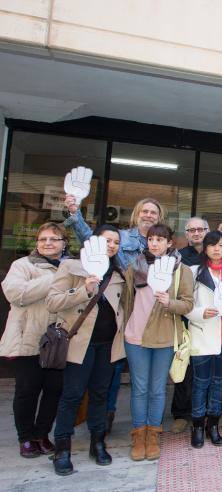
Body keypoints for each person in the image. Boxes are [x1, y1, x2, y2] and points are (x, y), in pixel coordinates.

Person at [64, 196, 165, 432]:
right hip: (121, 313)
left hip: (149, 316)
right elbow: (91, 242)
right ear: (136, 214)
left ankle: (144, 424)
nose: (149, 215)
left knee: (144, 378)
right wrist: (75, 214)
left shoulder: (163, 246)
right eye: (145, 211)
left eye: (153, 212)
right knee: (113, 370)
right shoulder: (122, 239)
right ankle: (105, 418)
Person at [46, 224, 127, 475]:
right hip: (79, 344)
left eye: (115, 242)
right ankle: (62, 448)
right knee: (71, 395)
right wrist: (84, 290)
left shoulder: (117, 274)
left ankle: (97, 442)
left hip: (107, 345)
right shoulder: (72, 267)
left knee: (100, 394)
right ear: (94, 242)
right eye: (107, 240)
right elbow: (52, 301)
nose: (111, 245)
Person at [122, 223, 194, 461]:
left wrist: (169, 302)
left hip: (163, 336)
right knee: (140, 388)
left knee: (157, 388)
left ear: (169, 243)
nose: (154, 243)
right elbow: (127, 301)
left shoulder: (181, 270)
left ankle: (153, 433)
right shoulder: (135, 266)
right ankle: (139, 434)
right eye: (151, 239)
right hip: (136, 335)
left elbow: (187, 304)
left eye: (160, 240)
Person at [1, 222, 68, 458]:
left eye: (54, 239)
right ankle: (26, 437)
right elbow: (16, 294)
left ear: (64, 243)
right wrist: (55, 278)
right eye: (43, 239)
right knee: (27, 390)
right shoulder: (22, 265)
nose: (48, 243)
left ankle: (42, 434)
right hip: (27, 338)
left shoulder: (70, 267)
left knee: (53, 390)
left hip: (57, 342)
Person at [185, 231, 222, 449]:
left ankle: (214, 424)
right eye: (212, 245)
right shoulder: (194, 271)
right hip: (201, 333)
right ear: (205, 248)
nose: (216, 249)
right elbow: (186, 304)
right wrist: (201, 312)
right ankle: (198, 426)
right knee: (200, 383)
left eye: (220, 245)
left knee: (219, 383)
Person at [171, 217, 209, 434]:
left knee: (205, 368)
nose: (196, 233)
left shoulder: (214, 254)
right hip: (185, 319)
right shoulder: (178, 257)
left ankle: (203, 410)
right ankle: (181, 413)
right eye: (191, 230)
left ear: (207, 231)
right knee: (184, 367)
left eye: (200, 229)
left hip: (209, 319)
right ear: (186, 234)